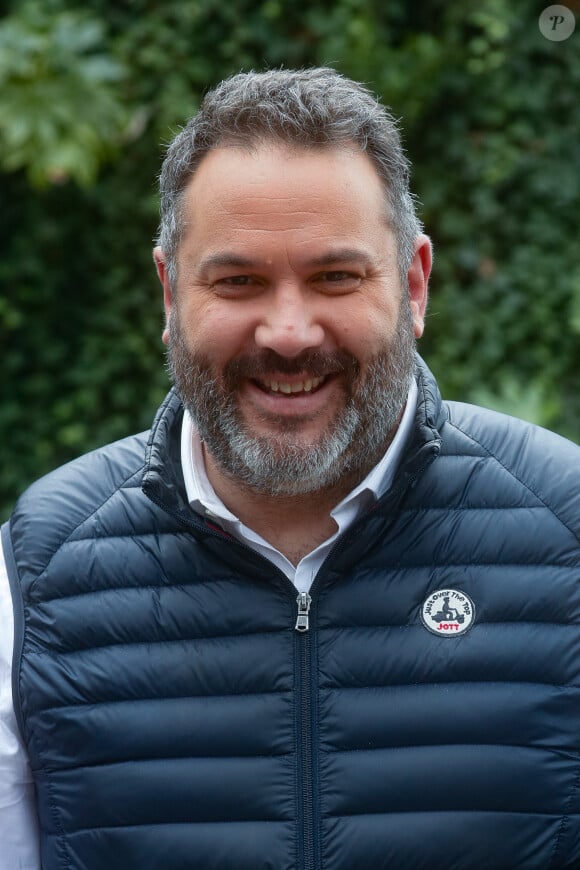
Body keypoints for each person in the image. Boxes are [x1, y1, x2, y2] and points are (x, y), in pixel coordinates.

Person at [1, 67, 579, 870]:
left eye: (335, 277)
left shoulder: (568, 532)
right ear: (170, 293)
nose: (289, 332)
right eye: (238, 281)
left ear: (413, 284)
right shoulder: (34, 578)